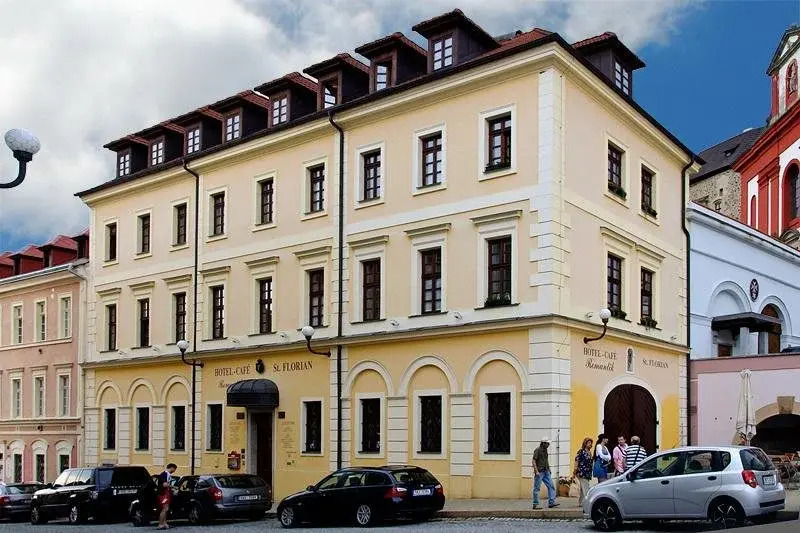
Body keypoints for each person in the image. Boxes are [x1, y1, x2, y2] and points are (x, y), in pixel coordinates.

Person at [532, 437, 558, 509]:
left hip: (546, 471)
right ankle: (535, 504)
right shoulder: (537, 450)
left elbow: (546, 460)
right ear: (543, 443)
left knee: (551, 486)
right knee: (537, 488)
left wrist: (549, 469)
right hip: (539, 472)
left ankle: (551, 502)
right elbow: (533, 461)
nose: (548, 445)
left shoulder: (545, 450)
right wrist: (536, 471)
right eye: (547, 443)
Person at [157, 463, 177, 530]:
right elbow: (164, 484)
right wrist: (173, 487)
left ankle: (165, 523)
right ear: (171, 467)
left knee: (166, 509)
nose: (174, 471)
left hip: (166, 493)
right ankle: (160, 524)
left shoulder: (167, 474)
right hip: (163, 494)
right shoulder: (164, 474)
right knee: (165, 508)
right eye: (174, 469)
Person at [574, 437, 593, 507]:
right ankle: (588, 502)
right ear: (585, 444)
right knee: (586, 488)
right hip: (581, 472)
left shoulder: (589, 452)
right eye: (588, 443)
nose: (590, 444)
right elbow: (577, 460)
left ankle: (581, 502)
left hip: (587, 473)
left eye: (591, 443)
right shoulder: (581, 451)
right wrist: (575, 470)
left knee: (583, 488)